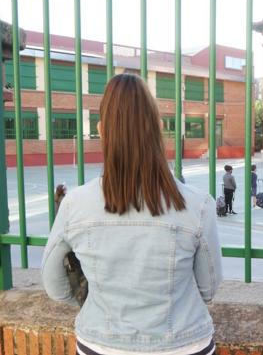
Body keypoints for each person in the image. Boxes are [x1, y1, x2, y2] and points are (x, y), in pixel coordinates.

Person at [41, 74, 222, 355]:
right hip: (185, 343)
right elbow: (208, 289)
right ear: (159, 128)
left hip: (101, 345)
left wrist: (94, 303)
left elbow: (55, 285)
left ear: (102, 131)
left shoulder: (74, 205)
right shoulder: (198, 205)